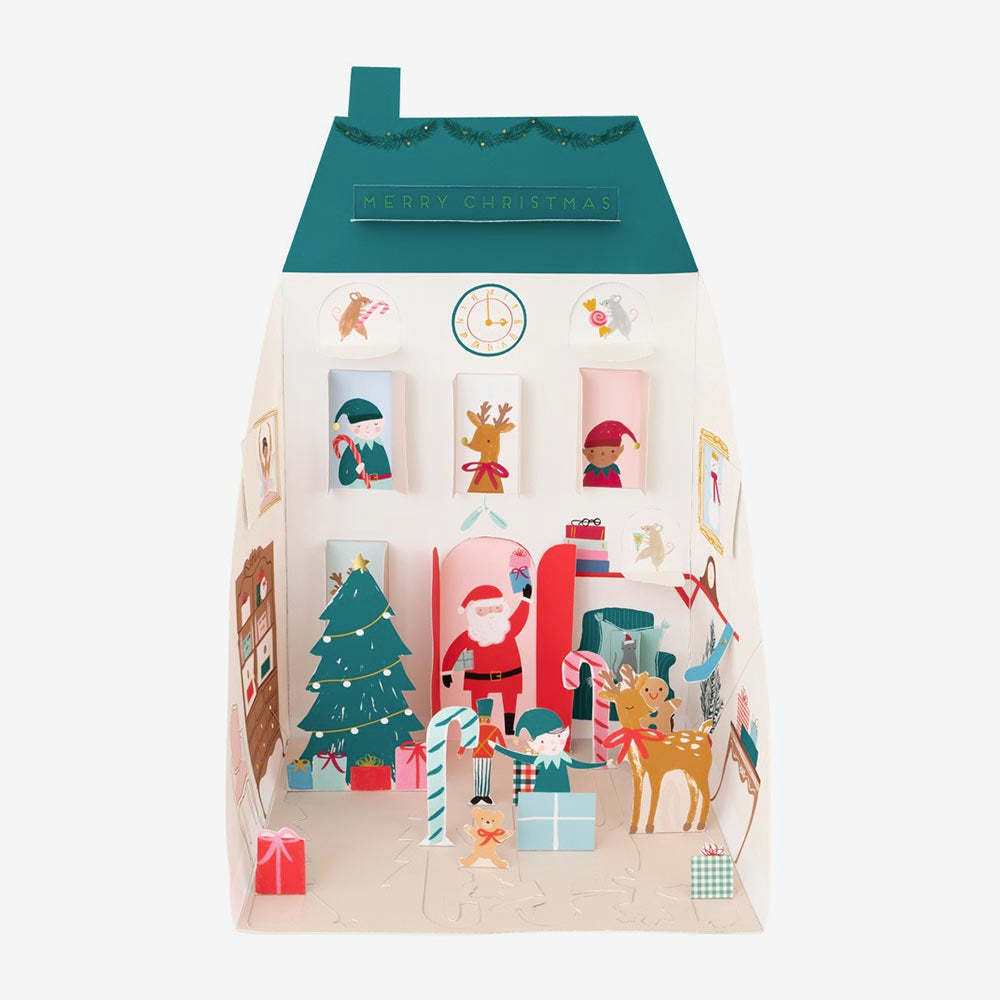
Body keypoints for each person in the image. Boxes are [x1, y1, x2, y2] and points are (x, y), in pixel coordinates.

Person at [442, 583, 532, 734]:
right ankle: (478, 730)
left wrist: (525, 599)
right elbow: (454, 649)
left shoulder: (507, 628)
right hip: (479, 678)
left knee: (510, 698)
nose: (491, 614)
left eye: (496, 608)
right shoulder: (471, 635)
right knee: (479, 701)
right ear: (473, 613)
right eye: (483, 610)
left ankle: (509, 729)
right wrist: (446, 671)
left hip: (509, 675)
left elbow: (520, 618)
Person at [490, 708, 605, 792]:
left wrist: (602, 764)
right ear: (534, 745)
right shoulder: (539, 759)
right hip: (542, 792)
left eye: (558, 737)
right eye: (543, 742)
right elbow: (517, 756)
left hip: (562, 790)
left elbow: (579, 765)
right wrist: (496, 747)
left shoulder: (563, 758)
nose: (553, 744)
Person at [333, 398, 392, 489]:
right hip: (360, 487)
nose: (368, 429)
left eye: (375, 424)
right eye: (359, 426)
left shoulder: (380, 446)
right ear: (351, 428)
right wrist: (356, 471)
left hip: (385, 485)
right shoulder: (352, 448)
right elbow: (343, 479)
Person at [457, 698, 506, 805]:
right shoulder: (474, 729)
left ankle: (485, 795)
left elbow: (502, 743)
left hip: (487, 756)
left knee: (485, 775)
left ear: (489, 719)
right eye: (481, 719)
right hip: (477, 755)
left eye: (486, 719)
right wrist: (461, 751)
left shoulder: (494, 729)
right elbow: (466, 739)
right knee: (477, 775)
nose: (483, 721)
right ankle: (478, 795)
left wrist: (504, 750)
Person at [582, 419, 640, 488]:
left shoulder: (614, 476)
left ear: (620, 450)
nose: (602, 454)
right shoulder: (588, 476)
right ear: (584, 452)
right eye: (592, 451)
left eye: (612, 451)